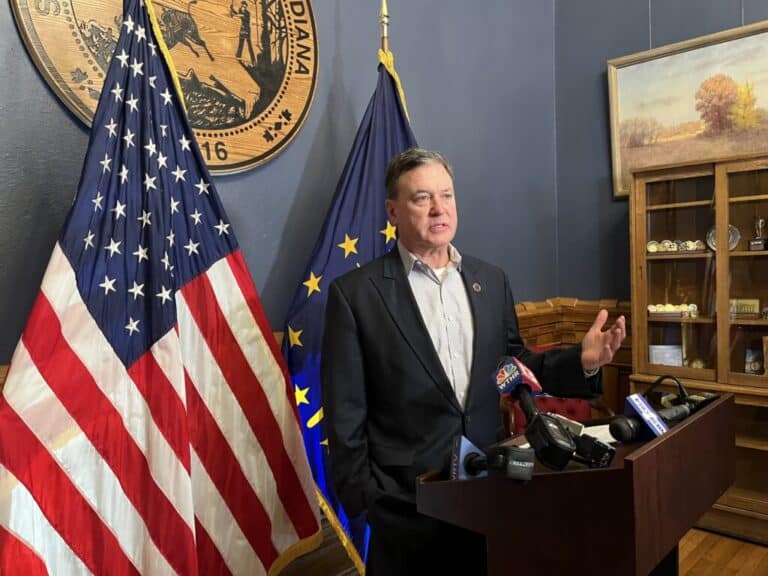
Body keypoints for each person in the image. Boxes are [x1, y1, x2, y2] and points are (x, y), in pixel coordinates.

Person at [321, 148, 626, 575]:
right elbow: (345, 413)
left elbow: (512, 363)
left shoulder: (490, 279)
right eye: (421, 198)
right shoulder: (355, 295)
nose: (439, 209)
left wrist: (583, 361)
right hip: (405, 507)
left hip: (487, 491)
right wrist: (368, 503)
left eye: (446, 195)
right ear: (393, 210)